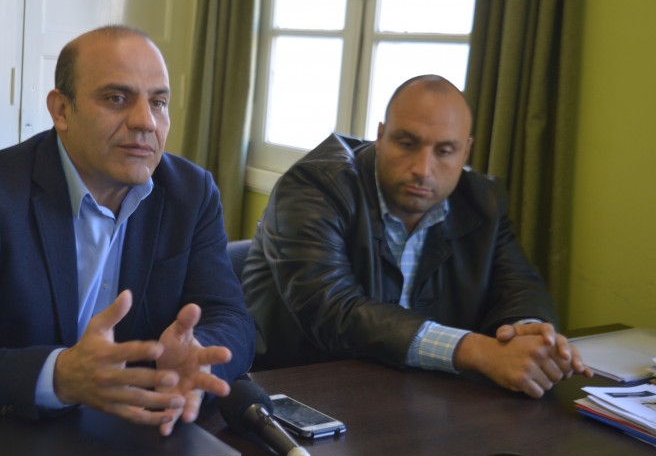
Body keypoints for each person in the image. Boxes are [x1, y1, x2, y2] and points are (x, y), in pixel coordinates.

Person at [0, 25, 255, 435]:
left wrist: (200, 353)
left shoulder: (190, 193)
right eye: (117, 98)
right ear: (61, 110)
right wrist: (60, 377)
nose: (145, 121)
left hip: (143, 431)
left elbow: (231, 317)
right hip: (12, 435)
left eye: (158, 102)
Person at [242, 74, 591, 399]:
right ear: (381, 136)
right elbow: (335, 312)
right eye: (407, 144)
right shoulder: (313, 187)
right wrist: (475, 350)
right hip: (297, 392)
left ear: (465, 152)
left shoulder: (482, 199)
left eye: (444, 151)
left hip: (416, 397)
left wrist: (530, 334)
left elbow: (519, 286)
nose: (423, 169)